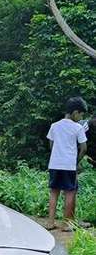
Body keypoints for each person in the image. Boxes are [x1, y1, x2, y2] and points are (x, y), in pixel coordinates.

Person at [47, 96, 88, 229]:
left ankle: (50, 222)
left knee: (54, 192)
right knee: (70, 192)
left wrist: (58, 155)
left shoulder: (54, 126)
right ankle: (66, 224)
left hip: (54, 164)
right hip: (69, 166)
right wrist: (76, 161)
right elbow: (83, 148)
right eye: (81, 115)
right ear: (75, 112)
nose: (81, 118)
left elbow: (51, 145)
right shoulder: (77, 128)